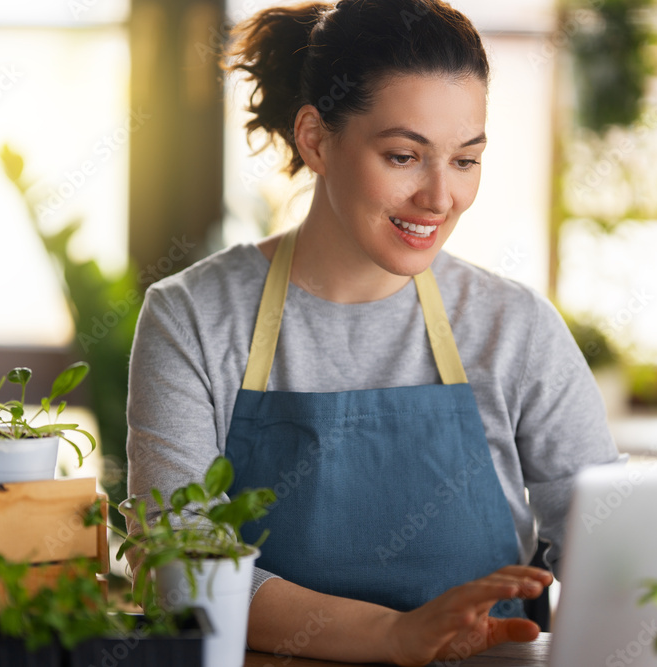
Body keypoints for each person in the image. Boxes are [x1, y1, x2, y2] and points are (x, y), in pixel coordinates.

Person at [125, 0, 621, 664]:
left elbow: (613, 544)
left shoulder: (515, 327)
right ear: (315, 139)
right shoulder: (193, 318)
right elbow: (176, 569)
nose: (440, 197)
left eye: (466, 160)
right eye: (403, 156)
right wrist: (394, 634)